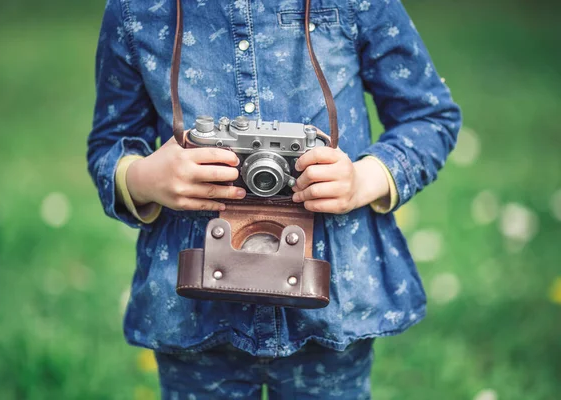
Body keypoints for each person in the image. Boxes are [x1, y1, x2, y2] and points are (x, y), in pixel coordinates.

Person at [87, 0, 461, 398]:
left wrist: (362, 180)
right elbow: (109, 144)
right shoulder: (137, 10)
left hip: (331, 302)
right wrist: (146, 178)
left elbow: (430, 116)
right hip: (192, 306)